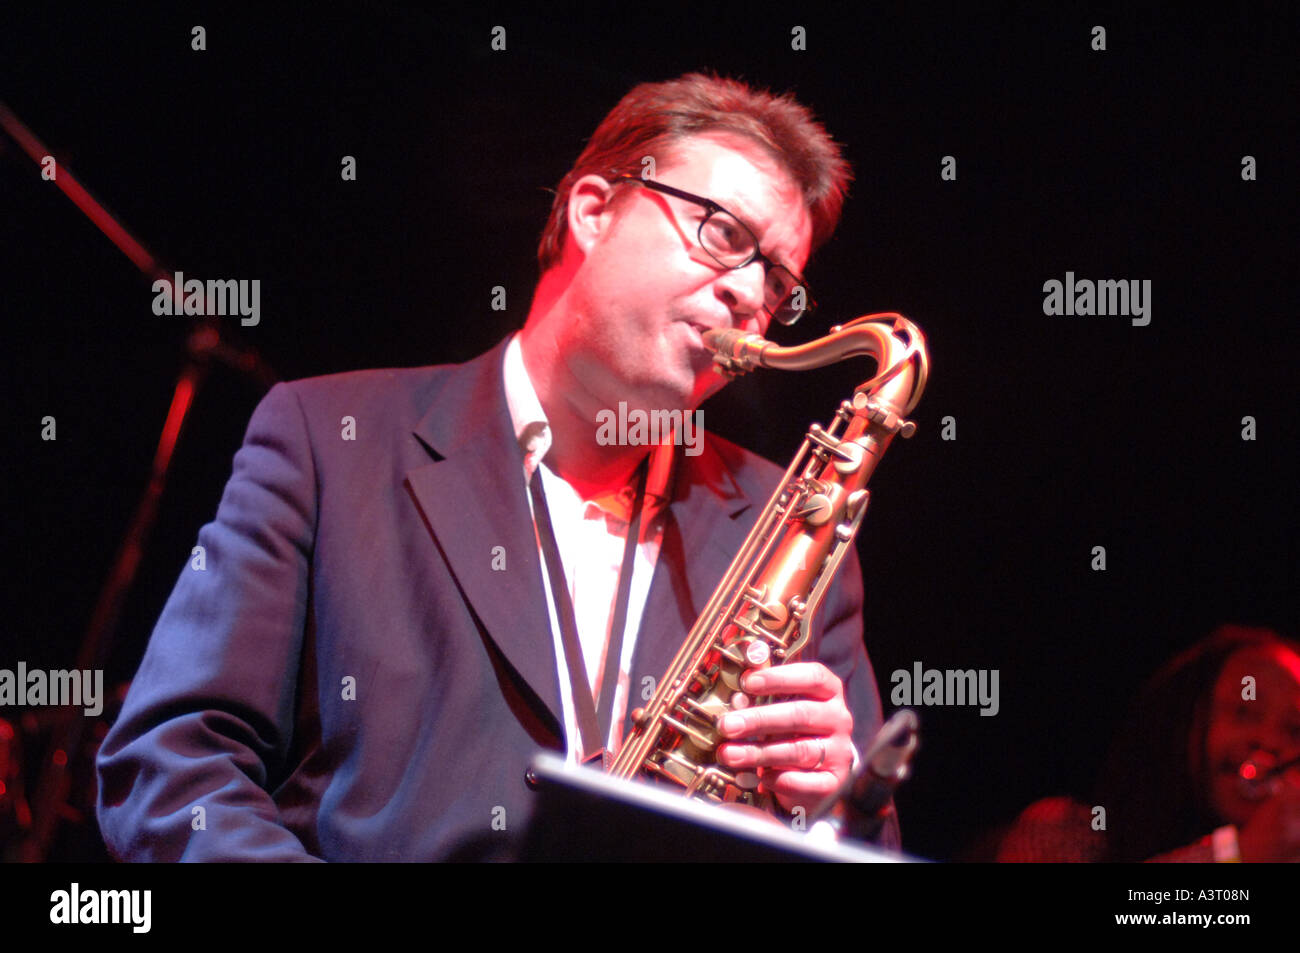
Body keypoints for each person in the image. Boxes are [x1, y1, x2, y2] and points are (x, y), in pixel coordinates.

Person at [96, 73, 899, 861]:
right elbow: (172, 766)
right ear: (592, 211)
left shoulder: (790, 521)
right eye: (725, 233)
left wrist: (823, 809)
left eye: (779, 278)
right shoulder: (329, 439)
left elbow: (866, 843)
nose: (750, 293)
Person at [993, 624, 1300, 862]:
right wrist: (1239, 854)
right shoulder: (1063, 831)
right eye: (1243, 711)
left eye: (1295, 730)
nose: (1270, 741)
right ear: (1183, 720)